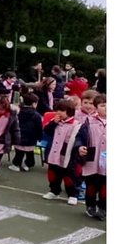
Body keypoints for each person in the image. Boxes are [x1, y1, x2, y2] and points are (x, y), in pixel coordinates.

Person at [44, 95, 89, 203]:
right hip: (54, 153)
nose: (58, 112)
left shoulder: (77, 125)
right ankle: (54, 191)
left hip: (68, 155)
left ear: (69, 111)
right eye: (57, 110)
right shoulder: (55, 122)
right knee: (53, 175)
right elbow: (47, 131)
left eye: (62, 110)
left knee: (69, 177)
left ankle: (73, 195)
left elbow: (81, 140)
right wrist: (53, 123)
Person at [78, 92, 107, 220]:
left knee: (106, 187)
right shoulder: (89, 122)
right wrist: (79, 147)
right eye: (103, 105)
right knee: (91, 185)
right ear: (96, 107)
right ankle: (90, 205)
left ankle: (103, 208)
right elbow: (80, 137)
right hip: (92, 159)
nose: (106, 108)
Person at [11, 90, 43, 172]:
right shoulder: (36, 115)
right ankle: (28, 164)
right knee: (30, 153)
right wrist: (40, 136)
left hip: (19, 136)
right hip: (31, 138)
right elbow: (39, 127)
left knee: (19, 153)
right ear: (34, 104)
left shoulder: (18, 112)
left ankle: (16, 164)